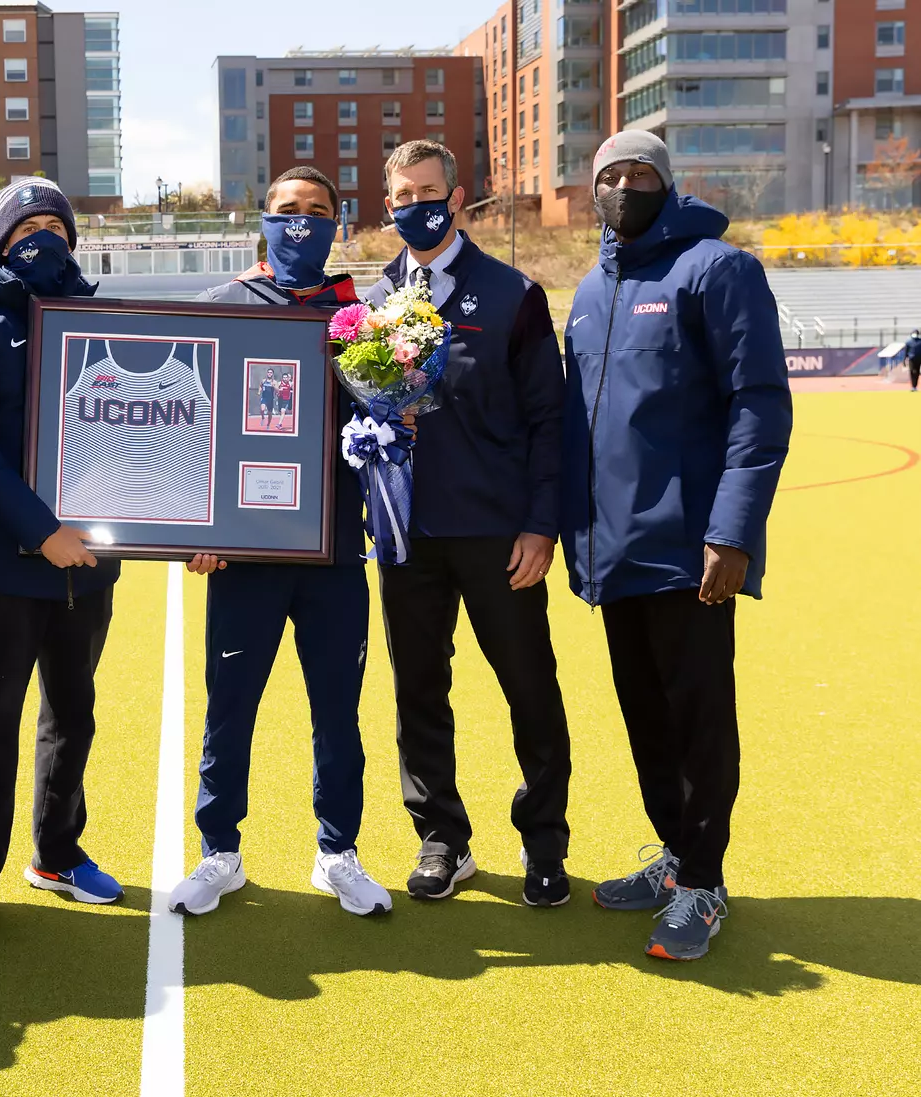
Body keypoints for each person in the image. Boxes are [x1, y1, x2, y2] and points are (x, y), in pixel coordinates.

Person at [563, 130, 791, 960]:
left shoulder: (717, 269)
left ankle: (703, 882)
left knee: (698, 721)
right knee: (645, 717)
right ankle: (673, 855)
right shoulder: (591, 290)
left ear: (667, 182)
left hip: (691, 551)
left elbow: (758, 407)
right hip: (612, 552)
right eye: (610, 176)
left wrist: (732, 532)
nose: (624, 186)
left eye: (640, 173)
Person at [167, 166, 390, 920]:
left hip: (333, 552)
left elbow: (391, 422)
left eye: (317, 212)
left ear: (339, 224)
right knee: (230, 708)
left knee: (338, 710)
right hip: (246, 553)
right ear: (261, 222)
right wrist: (199, 531)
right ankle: (219, 852)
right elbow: (188, 430)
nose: (301, 223)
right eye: (286, 211)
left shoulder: (365, 312)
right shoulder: (222, 308)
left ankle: (338, 852)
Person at [366, 140, 572, 907]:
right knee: (419, 689)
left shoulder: (513, 293)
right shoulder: (375, 301)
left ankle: (544, 840)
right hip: (406, 535)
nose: (414, 203)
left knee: (530, 686)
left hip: (498, 535)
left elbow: (549, 422)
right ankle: (442, 838)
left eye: (428, 189)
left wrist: (540, 525)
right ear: (387, 206)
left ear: (455, 198)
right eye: (400, 194)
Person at [0, 177, 123, 938]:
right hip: (6, 560)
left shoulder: (100, 314)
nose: (41, 236)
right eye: (26, 226)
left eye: (55, 222)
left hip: (89, 563)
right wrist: (40, 529)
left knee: (72, 715)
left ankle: (57, 851)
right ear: (0, 239)